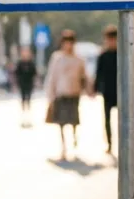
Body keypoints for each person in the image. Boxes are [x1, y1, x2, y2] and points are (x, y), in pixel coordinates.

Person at [44, 30, 89, 159]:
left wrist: (88, 90)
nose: (68, 45)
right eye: (66, 43)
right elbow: (52, 77)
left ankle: (74, 139)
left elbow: (84, 77)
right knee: (61, 122)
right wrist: (50, 95)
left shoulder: (78, 59)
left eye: (70, 43)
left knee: (74, 120)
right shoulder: (57, 58)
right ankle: (63, 147)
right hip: (61, 94)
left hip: (74, 94)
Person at [94, 25, 119, 154]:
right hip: (107, 92)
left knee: (123, 120)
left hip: (122, 93)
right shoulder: (103, 56)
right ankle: (109, 144)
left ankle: (124, 143)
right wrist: (95, 89)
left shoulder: (123, 55)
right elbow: (98, 74)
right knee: (107, 120)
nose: (111, 42)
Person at [14, 47, 38, 127]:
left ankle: (29, 119)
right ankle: (23, 119)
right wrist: (16, 84)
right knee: (23, 101)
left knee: (29, 102)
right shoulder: (20, 63)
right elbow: (16, 74)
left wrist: (36, 83)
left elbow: (35, 74)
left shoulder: (31, 63)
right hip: (22, 85)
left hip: (29, 85)